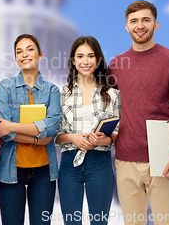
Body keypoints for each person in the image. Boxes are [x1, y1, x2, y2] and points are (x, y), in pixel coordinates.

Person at [108, 0, 169, 225]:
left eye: (146, 20)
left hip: (163, 159)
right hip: (125, 161)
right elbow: (105, 108)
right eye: (134, 21)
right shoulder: (116, 65)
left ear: (155, 25)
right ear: (127, 27)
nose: (140, 25)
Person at [0, 34, 61, 225]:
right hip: (10, 171)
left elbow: (51, 129)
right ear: (15, 58)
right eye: (19, 51)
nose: (24, 54)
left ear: (40, 54)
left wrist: (12, 126)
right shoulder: (5, 87)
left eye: (30, 49)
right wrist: (38, 138)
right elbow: (3, 133)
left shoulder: (52, 90)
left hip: (43, 173)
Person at [55, 36, 120, 225]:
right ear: (73, 61)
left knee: (99, 222)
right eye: (80, 56)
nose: (85, 61)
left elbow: (117, 132)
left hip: (100, 163)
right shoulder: (60, 94)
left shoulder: (112, 95)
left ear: (98, 60)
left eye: (90, 56)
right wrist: (72, 138)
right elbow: (54, 136)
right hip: (69, 164)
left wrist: (105, 140)